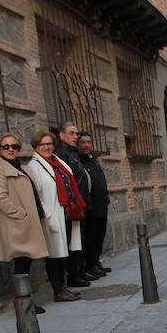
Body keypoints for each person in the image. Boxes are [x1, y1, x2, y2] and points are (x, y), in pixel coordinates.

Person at [0, 133, 49, 313]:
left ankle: (26, 301)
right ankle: (23, 303)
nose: (10, 150)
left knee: (26, 264)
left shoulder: (23, 168)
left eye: (14, 146)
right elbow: (1, 198)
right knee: (21, 265)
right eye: (5, 147)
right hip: (17, 225)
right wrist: (21, 214)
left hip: (30, 223)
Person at [27, 131, 80, 302]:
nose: (47, 147)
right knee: (54, 254)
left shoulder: (57, 162)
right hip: (51, 214)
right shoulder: (34, 167)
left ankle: (63, 287)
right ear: (36, 147)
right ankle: (58, 290)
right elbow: (37, 195)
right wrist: (47, 216)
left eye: (50, 144)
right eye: (43, 145)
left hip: (64, 211)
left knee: (63, 252)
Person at [54, 121, 95, 285]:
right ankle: (74, 275)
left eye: (76, 133)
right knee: (73, 240)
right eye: (71, 133)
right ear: (61, 135)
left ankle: (80, 270)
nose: (75, 137)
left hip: (81, 203)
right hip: (72, 204)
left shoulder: (73, 152)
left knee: (80, 239)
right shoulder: (60, 154)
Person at [78, 132, 112, 276]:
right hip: (90, 207)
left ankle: (96, 261)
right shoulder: (79, 161)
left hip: (101, 204)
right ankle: (90, 265)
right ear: (78, 145)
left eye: (88, 142)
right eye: (83, 142)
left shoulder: (94, 160)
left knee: (100, 235)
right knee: (90, 237)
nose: (86, 145)